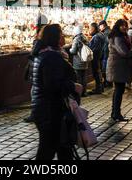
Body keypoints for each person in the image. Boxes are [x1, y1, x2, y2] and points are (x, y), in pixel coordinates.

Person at [32, 24, 82, 160]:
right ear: (55, 37)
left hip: (46, 109)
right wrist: (73, 86)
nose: (63, 36)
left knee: (63, 148)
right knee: (47, 150)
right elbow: (53, 84)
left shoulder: (44, 54)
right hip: (50, 111)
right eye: (61, 34)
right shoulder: (51, 57)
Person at [107, 19, 132, 122]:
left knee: (118, 90)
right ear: (118, 26)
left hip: (119, 66)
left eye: (125, 25)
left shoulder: (121, 36)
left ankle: (115, 113)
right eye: (122, 26)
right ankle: (116, 114)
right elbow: (124, 53)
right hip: (118, 66)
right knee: (119, 90)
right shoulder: (118, 37)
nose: (124, 27)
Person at [24, 15, 48, 123]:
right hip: (40, 68)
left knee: (34, 91)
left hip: (37, 67)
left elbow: (34, 52)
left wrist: (31, 55)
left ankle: (35, 113)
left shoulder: (40, 38)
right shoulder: (47, 35)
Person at [69, 25, 89, 96]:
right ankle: (85, 92)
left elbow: (73, 51)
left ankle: (79, 93)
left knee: (78, 77)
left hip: (78, 61)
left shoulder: (76, 39)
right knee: (84, 77)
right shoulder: (85, 38)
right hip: (85, 60)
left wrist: (69, 49)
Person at [89, 23, 105, 94]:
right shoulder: (101, 34)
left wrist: (89, 48)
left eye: (90, 29)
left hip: (96, 57)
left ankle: (98, 88)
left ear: (94, 29)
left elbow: (95, 48)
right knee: (98, 71)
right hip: (100, 56)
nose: (90, 30)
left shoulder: (96, 37)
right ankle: (100, 87)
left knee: (96, 72)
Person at [99, 20, 112, 88]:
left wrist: (101, 54)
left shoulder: (106, 33)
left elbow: (105, 44)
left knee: (105, 68)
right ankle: (109, 82)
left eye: (100, 26)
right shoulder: (109, 31)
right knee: (107, 68)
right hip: (108, 53)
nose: (99, 28)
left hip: (106, 53)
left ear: (103, 25)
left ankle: (107, 82)